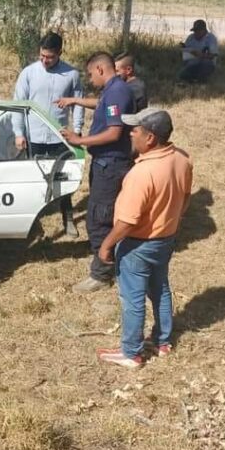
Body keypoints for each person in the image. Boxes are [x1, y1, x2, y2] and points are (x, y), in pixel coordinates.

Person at [95, 109, 192, 368]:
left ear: (149, 138)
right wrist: (172, 221)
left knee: (133, 298)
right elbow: (185, 197)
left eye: (135, 129)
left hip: (138, 244)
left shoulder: (141, 174)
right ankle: (162, 341)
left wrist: (106, 245)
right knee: (160, 289)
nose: (130, 133)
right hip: (165, 239)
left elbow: (128, 221)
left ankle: (131, 352)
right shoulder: (182, 159)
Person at [60, 52, 136, 293]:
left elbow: (114, 133)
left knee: (99, 218)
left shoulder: (116, 92)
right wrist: (75, 101)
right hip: (106, 163)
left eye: (91, 74)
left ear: (101, 69)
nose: (90, 79)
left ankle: (101, 273)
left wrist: (80, 140)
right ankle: (106, 260)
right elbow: (101, 104)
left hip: (110, 165)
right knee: (104, 214)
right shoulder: (114, 90)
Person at [11, 32, 84, 236]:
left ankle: (68, 217)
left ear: (60, 53)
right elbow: (18, 104)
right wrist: (19, 133)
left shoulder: (72, 75)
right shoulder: (28, 73)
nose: (45, 60)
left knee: (63, 178)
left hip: (59, 137)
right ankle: (32, 219)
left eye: (50, 57)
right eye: (42, 56)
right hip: (33, 136)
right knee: (33, 177)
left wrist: (76, 131)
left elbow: (78, 105)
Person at [57, 51, 148, 116]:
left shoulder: (133, 88)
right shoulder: (119, 86)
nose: (113, 74)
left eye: (116, 71)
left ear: (128, 70)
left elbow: (103, 103)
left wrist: (75, 100)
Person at [178, 19, 219, 83]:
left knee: (206, 64)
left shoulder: (210, 38)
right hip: (192, 63)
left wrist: (200, 55)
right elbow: (186, 50)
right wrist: (184, 50)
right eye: (195, 31)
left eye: (198, 31)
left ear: (204, 30)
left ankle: (200, 80)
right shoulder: (190, 38)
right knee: (182, 75)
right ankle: (191, 80)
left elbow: (213, 55)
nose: (196, 33)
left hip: (205, 63)